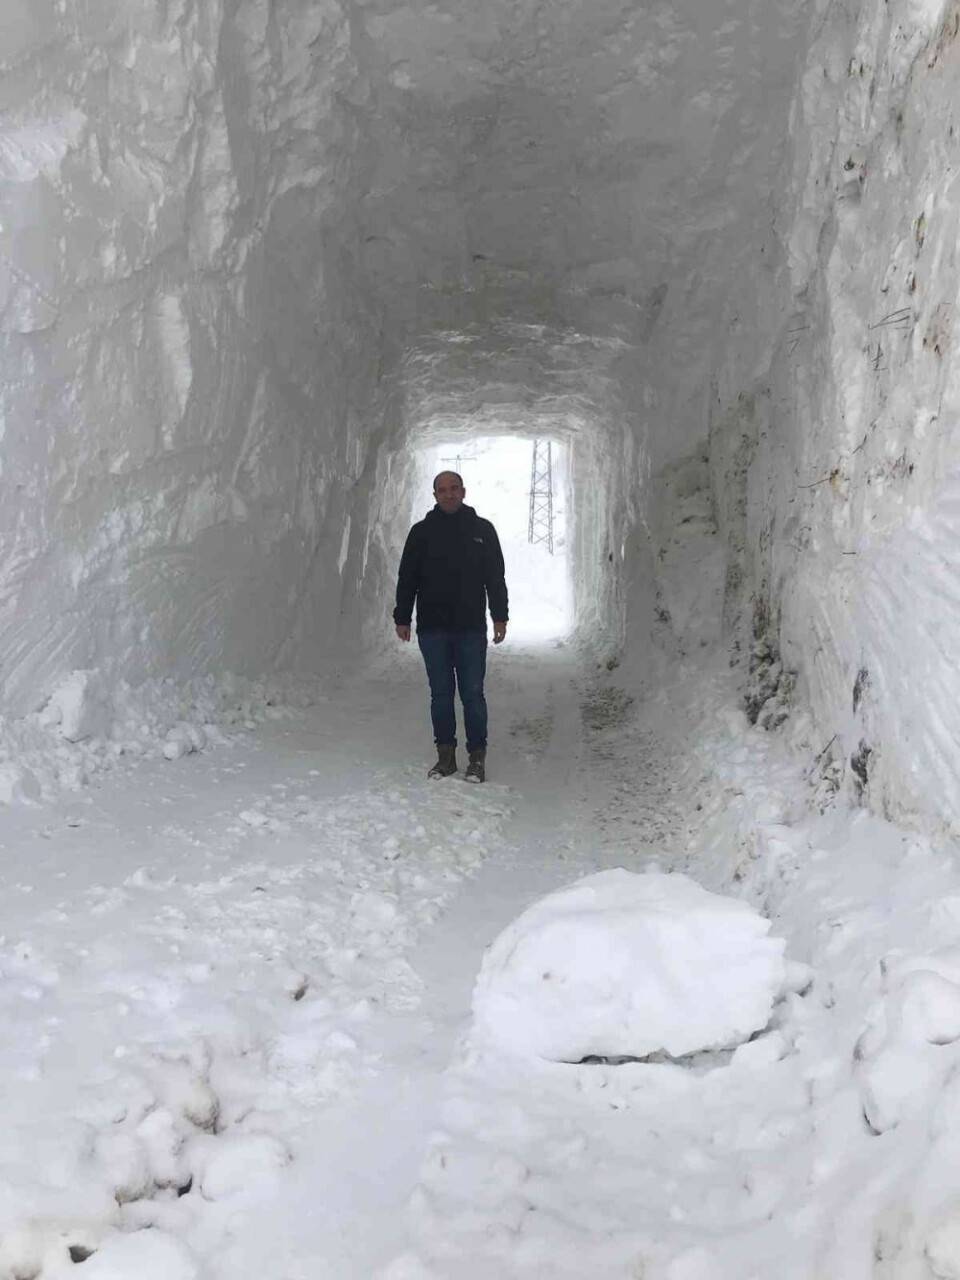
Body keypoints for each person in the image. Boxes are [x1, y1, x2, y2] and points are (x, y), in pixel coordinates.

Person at [394, 470, 508, 783]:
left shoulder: (482, 530)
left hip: (470, 628)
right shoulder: (421, 533)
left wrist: (500, 616)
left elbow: (495, 577)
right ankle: (446, 757)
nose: (448, 494)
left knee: (472, 693)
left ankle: (477, 757)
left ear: (463, 491)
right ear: (434, 495)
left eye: (453, 488)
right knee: (441, 694)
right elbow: (408, 579)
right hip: (432, 629)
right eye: (442, 490)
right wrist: (402, 617)